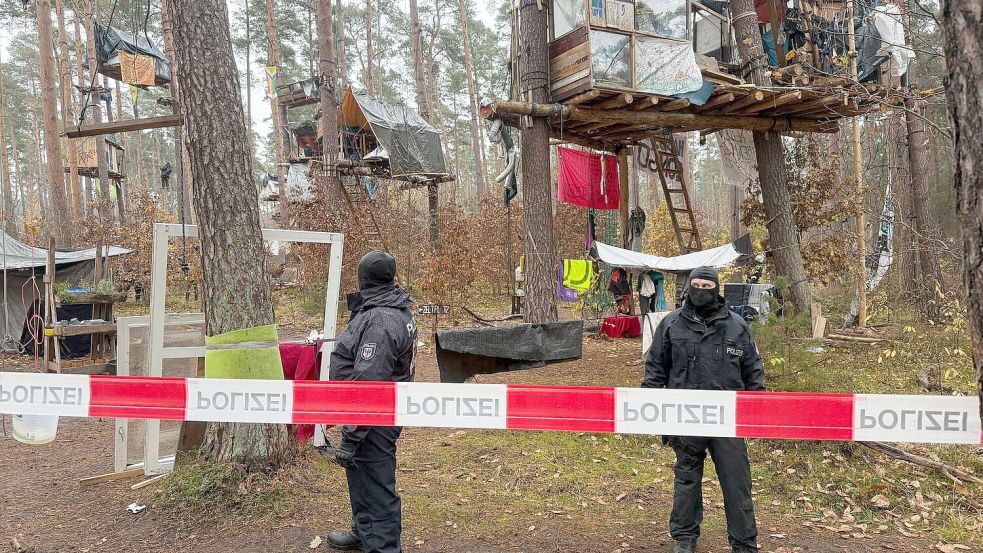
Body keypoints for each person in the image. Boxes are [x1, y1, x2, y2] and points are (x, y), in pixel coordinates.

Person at [642, 266, 765, 553]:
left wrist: (759, 407)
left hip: (728, 420)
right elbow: (656, 366)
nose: (700, 289)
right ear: (688, 288)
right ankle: (684, 537)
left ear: (716, 288)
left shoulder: (737, 326)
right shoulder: (671, 324)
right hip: (685, 416)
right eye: (695, 284)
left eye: (706, 285)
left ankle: (744, 543)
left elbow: (753, 370)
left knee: (737, 483)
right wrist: (647, 402)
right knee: (686, 479)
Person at [326, 250, 417, 553]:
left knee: (376, 483)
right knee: (362, 474)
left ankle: (383, 546)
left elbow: (369, 386)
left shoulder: (380, 320)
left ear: (364, 279)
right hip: (372, 416)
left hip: (372, 419)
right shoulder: (390, 306)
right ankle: (363, 531)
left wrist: (352, 436)